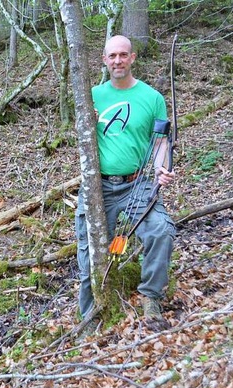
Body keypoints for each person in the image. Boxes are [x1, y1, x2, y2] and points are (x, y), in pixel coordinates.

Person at [75, 35, 176, 328]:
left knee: (160, 231)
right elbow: (80, 139)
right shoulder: (90, 95)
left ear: (132, 58)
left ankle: (150, 297)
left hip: (137, 184)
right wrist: (86, 122)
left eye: (123, 55)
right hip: (98, 188)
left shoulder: (152, 98)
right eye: (112, 56)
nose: (118, 61)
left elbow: (160, 143)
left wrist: (162, 170)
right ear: (104, 61)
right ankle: (90, 316)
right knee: (89, 251)